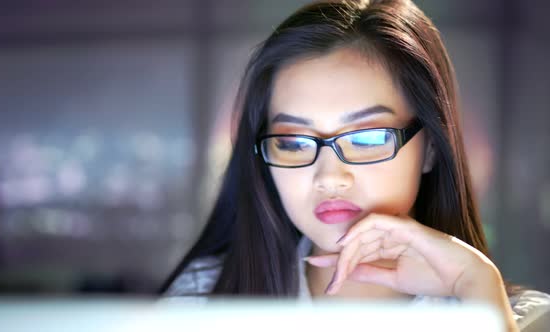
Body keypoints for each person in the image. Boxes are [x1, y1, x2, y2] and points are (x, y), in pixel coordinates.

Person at [159, 0, 550, 330]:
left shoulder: (516, 318)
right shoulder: (202, 305)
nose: (330, 178)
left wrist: (475, 287)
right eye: (293, 142)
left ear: (430, 148)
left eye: (366, 138)